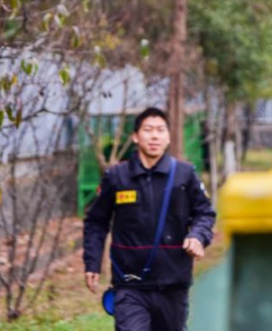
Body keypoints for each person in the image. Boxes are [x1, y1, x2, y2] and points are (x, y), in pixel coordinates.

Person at [83, 107, 216, 331]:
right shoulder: (117, 177)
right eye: (148, 130)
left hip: (173, 283)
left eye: (160, 130)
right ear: (135, 136)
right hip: (129, 285)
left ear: (168, 137)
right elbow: (96, 221)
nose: (154, 136)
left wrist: (198, 236)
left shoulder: (184, 175)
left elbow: (205, 213)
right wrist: (92, 262)